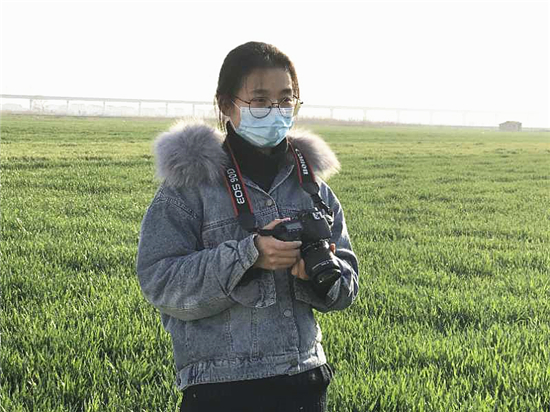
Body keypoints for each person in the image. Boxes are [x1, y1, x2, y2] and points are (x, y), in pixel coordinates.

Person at [136, 41, 359, 412]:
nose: (276, 110)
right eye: (259, 101)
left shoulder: (311, 186)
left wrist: (323, 274)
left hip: (302, 378)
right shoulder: (191, 186)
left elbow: (348, 282)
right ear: (226, 106)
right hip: (221, 387)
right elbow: (159, 281)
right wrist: (248, 255)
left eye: (286, 99)